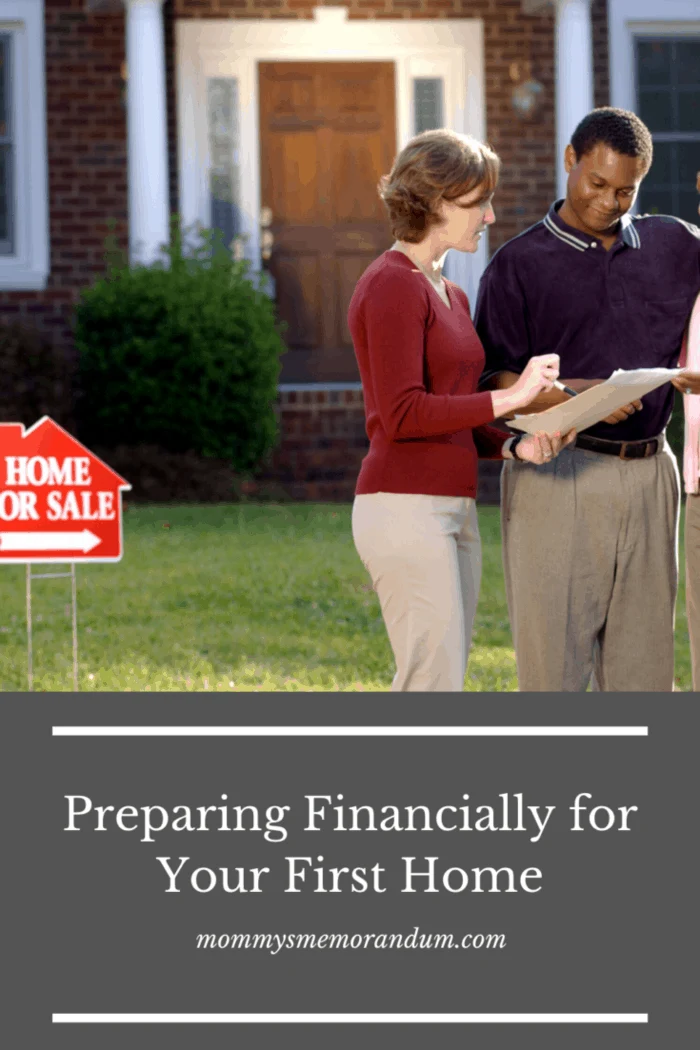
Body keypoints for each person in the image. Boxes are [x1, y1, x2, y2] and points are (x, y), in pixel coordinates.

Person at [475, 107, 700, 692]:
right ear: (570, 160)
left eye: (626, 190)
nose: (609, 201)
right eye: (596, 183)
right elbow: (488, 383)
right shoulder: (516, 266)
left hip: (653, 476)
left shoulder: (675, 245)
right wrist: (562, 396)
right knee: (555, 675)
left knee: (645, 674)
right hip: (559, 473)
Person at [347, 129, 575, 692]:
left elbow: (450, 411)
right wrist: (516, 397)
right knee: (431, 684)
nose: (491, 215)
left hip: (454, 507)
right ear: (436, 202)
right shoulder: (391, 286)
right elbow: (403, 414)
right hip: (404, 507)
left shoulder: (451, 293)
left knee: (443, 680)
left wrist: (512, 443)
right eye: (477, 203)